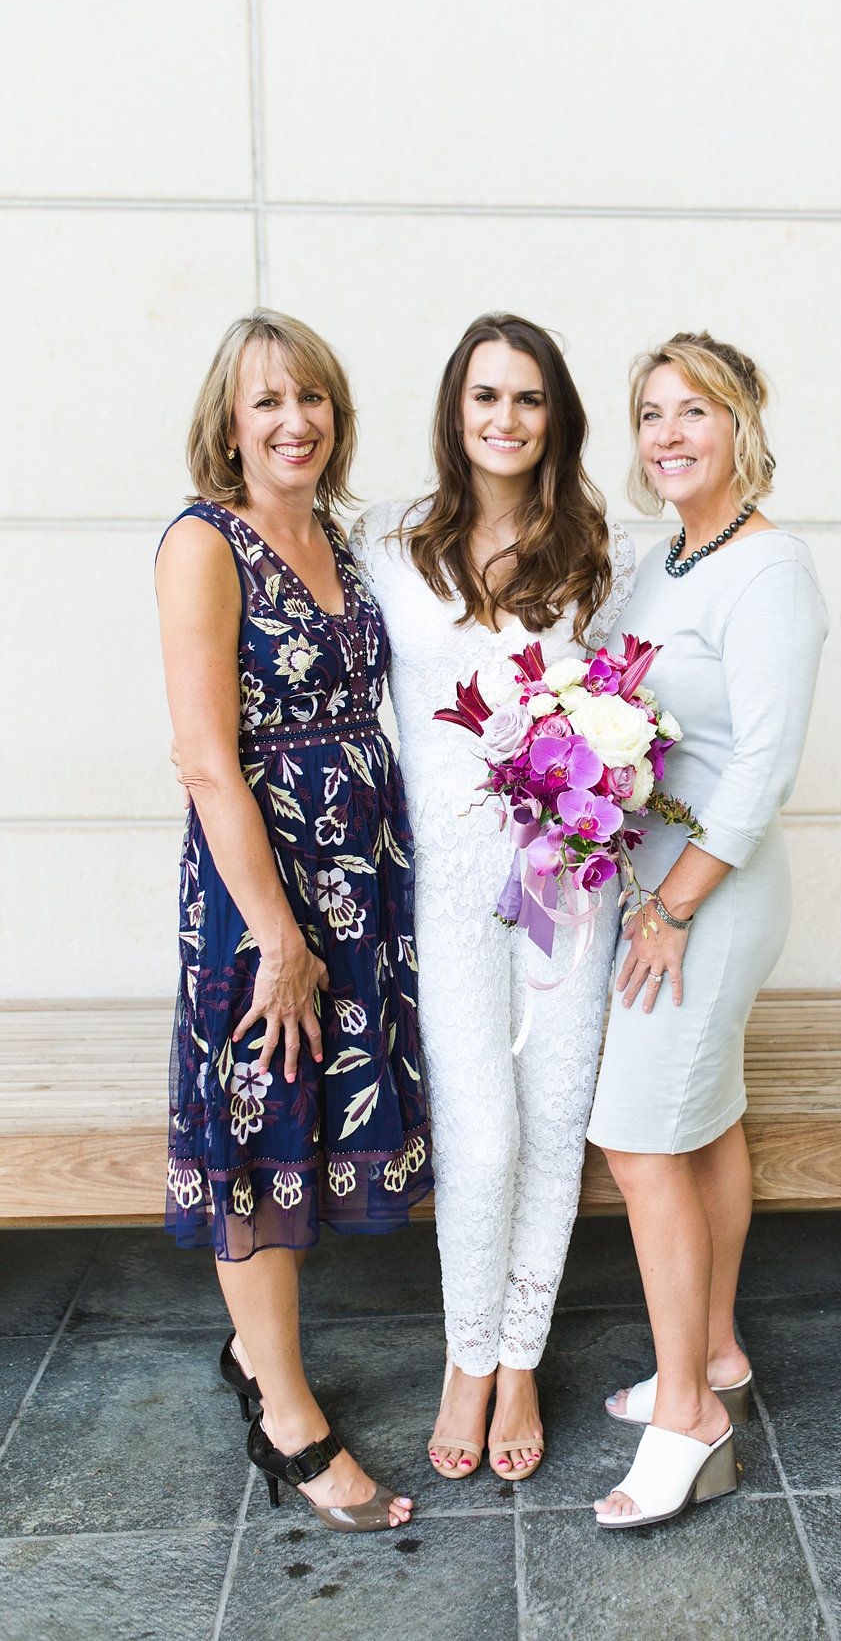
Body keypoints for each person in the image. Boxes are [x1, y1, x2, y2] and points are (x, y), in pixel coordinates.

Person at [155, 309, 431, 1532]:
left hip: (359, 881)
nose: (294, 419)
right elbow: (208, 760)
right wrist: (276, 931)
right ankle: (289, 1421)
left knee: (312, 1116)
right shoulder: (203, 545)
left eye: (312, 397)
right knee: (263, 1125)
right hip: (264, 889)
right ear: (229, 420)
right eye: (267, 399)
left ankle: (254, 1359)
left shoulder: (336, 537)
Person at [348, 313, 635, 1480]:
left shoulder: (590, 554)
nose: (505, 419)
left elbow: (624, 708)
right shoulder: (390, 545)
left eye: (527, 398)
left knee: (553, 1118)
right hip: (447, 882)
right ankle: (466, 1354)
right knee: (481, 1129)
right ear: (454, 412)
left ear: (553, 416)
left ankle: (522, 1354)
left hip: (567, 885)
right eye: (485, 397)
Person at [587, 332, 827, 1528]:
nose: (669, 433)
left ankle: (688, 1413)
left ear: (741, 423)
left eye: (694, 410)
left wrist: (675, 903)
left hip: (712, 892)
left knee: (638, 1144)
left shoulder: (767, 571)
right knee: (705, 1118)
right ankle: (717, 1347)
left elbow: (763, 765)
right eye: (649, 413)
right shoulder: (661, 559)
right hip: (658, 874)